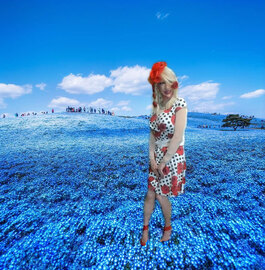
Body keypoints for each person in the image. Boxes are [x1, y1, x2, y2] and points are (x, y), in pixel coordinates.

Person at [140, 61, 188, 246]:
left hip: (173, 157)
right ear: (155, 86)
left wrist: (163, 162)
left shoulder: (180, 104)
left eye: (168, 82)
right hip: (157, 157)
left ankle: (167, 226)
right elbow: (152, 137)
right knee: (150, 194)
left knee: (160, 195)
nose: (165, 87)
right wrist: (152, 159)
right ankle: (145, 229)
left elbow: (177, 137)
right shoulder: (156, 108)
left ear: (174, 82)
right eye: (160, 83)